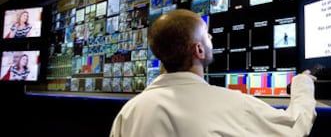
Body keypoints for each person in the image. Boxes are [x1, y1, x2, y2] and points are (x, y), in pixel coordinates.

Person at [110, 9, 317, 137]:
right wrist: (303, 84)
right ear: (198, 50)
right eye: (207, 36)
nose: (211, 39)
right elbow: (293, 128)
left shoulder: (129, 112)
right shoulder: (231, 103)